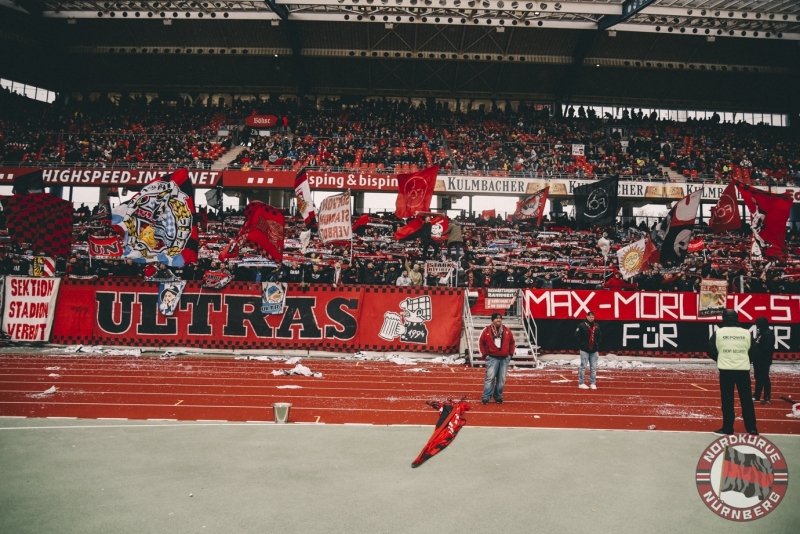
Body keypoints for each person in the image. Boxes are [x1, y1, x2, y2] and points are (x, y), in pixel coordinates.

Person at [706, 310, 758, 436]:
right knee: (746, 400)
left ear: (724, 318)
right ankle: (752, 428)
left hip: (726, 370)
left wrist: (721, 358)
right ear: (737, 318)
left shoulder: (719, 332)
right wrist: (745, 360)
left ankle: (728, 428)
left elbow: (710, 349)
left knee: (727, 400)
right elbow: (754, 351)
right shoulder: (746, 333)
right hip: (743, 369)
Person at [479, 312, 516, 405]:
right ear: (493, 320)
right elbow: (481, 342)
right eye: (496, 318)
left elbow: (512, 342)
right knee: (490, 378)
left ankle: (498, 396)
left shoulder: (507, 330)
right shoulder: (486, 330)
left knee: (501, 379)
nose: (498, 319)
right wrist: (485, 355)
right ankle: (486, 396)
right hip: (492, 358)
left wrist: (510, 354)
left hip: (504, 358)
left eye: (500, 318)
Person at [574, 311, 602, 390]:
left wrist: (597, 344)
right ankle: (581, 383)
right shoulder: (582, 326)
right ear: (587, 316)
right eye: (590, 317)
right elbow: (576, 336)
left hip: (594, 350)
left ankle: (592, 383)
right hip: (585, 350)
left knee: (593, 368)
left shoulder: (596, 326)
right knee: (583, 367)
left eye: (592, 317)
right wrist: (582, 345)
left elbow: (599, 336)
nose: (591, 318)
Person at [752, 316, 775, 405]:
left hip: (764, 360)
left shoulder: (768, 334)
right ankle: (757, 395)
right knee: (758, 377)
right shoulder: (761, 333)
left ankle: (767, 397)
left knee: (764, 378)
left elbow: (765, 348)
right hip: (758, 359)